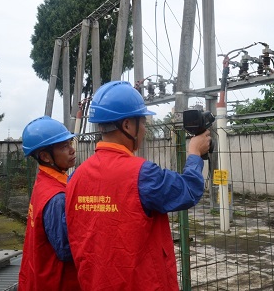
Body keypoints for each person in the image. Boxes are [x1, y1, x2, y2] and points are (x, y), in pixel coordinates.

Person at [65, 80, 210, 290]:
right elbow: (188, 190)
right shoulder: (142, 174)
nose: (144, 129)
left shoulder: (75, 177)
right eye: (142, 122)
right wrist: (195, 153)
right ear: (127, 125)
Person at [18, 116, 80, 290]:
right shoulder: (56, 197)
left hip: (39, 276)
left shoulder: (44, 181)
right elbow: (66, 249)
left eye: (70, 143)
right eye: (64, 146)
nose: (72, 150)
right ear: (45, 156)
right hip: (56, 282)